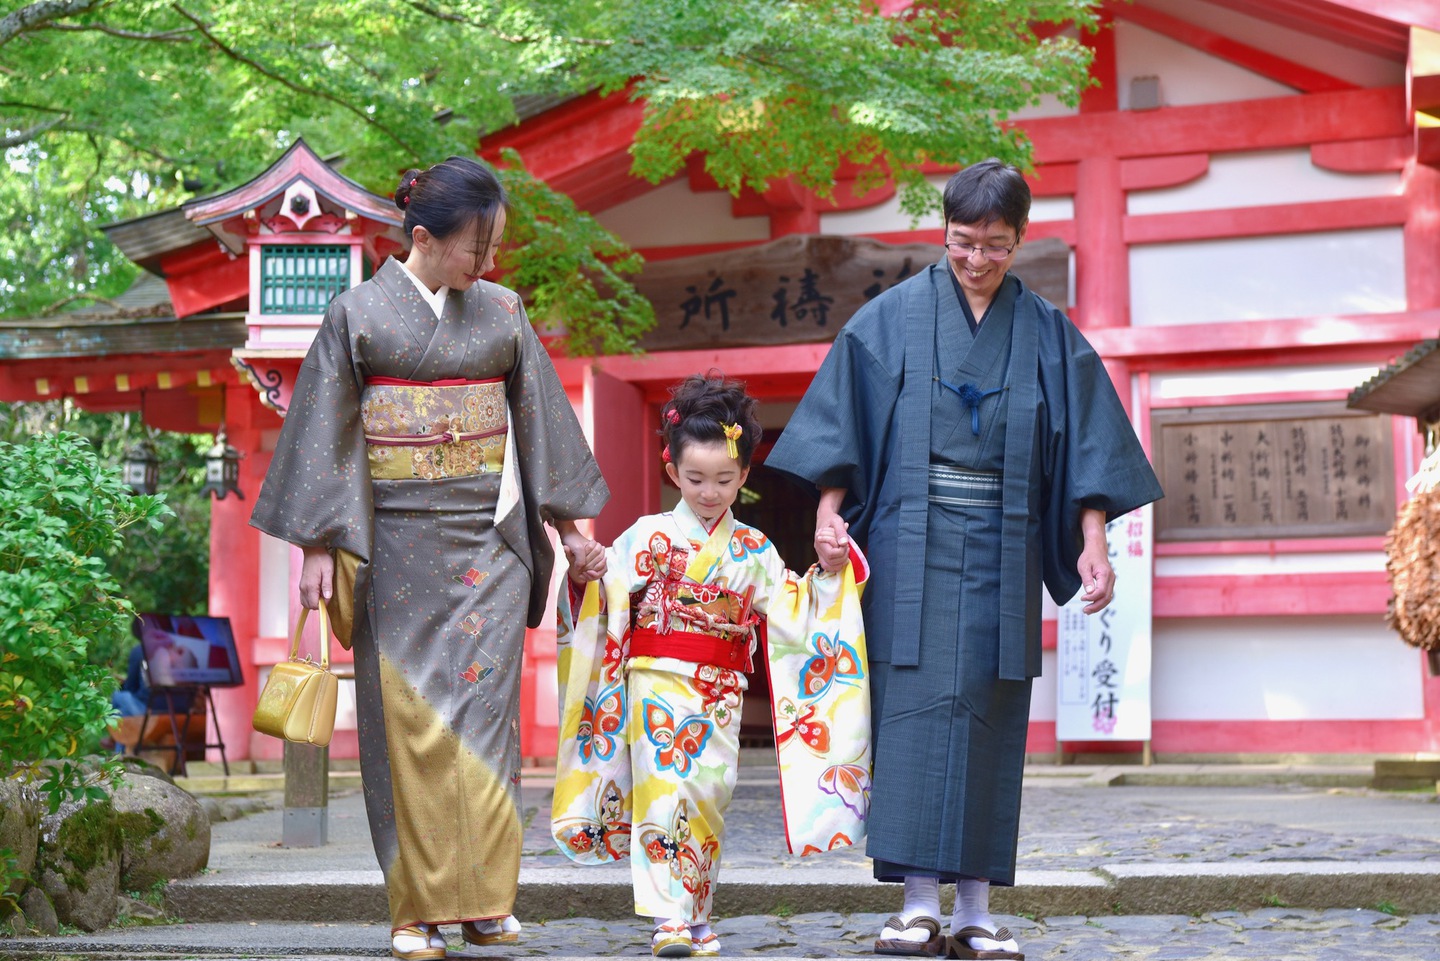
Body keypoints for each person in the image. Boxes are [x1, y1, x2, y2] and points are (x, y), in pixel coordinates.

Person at [765, 159, 1164, 960]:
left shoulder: (1049, 333)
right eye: (961, 243)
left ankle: (976, 907)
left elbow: (1084, 443)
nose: (977, 260)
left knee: (990, 709)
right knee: (910, 711)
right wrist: (827, 515)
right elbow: (845, 428)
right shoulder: (890, 320)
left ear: (1019, 239)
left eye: (995, 245)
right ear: (942, 232)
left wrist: (1093, 541)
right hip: (910, 542)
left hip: (1004, 543)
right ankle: (916, 904)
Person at [250, 156, 610, 961]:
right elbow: (324, 438)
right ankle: (415, 907)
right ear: (422, 237)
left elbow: (540, 427)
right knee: (407, 726)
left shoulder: (504, 314)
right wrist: (317, 542)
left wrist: (571, 532)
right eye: (472, 249)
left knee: (485, 724)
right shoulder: (357, 315)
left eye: (491, 249)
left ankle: (486, 900)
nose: (484, 265)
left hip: (490, 544)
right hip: (396, 546)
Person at [551, 373, 871, 958]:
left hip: (719, 692)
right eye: (695, 478)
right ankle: (667, 918)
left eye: (725, 479)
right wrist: (585, 573)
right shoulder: (647, 535)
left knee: (707, 796)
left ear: (745, 475)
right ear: (671, 470)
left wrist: (827, 570)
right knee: (664, 789)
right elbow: (604, 598)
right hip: (655, 682)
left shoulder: (753, 548)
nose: (709, 491)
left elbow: (796, 609)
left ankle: (695, 912)